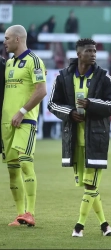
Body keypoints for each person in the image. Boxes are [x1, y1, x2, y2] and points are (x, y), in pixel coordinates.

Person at [48, 38, 111, 237]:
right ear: (79, 54)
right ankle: (105, 225)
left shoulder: (105, 77)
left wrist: (90, 104)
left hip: (96, 139)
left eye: (95, 51)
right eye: (89, 51)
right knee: (89, 187)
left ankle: (79, 227)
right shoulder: (63, 77)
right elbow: (52, 104)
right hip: (73, 141)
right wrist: (71, 113)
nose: (94, 54)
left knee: (91, 185)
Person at [2, 24, 47, 226]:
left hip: (25, 120)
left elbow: (41, 90)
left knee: (26, 162)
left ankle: (31, 212)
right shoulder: (9, 63)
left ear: (17, 39)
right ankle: (20, 216)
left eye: (7, 38)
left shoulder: (34, 61)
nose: (4, 42)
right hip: (6, 123)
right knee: (12, 169)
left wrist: (21, 111)